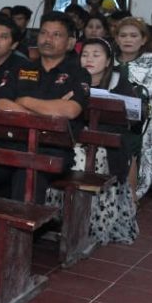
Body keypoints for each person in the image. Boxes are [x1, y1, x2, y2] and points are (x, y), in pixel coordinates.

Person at [45, 38, 137, 244]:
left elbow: (128, 122)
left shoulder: (120, 83)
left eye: (96, 55)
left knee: (80, 158)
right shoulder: (70, 78)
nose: (89, 59)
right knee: (54, 153)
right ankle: (57, 216)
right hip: (73, 137)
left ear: (108, 61)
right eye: (85, 55)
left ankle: (83, 221)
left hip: (106, 144)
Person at [0, 13, 90, 201]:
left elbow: (70, 110)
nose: (48, 39)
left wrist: (23, 101)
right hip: (12, 143)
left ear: (70, 42)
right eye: (44, 33)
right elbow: (1, 104)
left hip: (51, 150)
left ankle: (20, 221)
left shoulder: (78, 74)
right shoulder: (22, 68)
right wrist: (48, 112)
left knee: (27, 172)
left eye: (56, 35)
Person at [114, 18, 152, 201]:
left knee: (134, 152)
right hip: (110, 114)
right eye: (123, 35)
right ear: (117, 39)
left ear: (143, 39)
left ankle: (132, 199)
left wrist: (133, 94)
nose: (128, 40)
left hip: (142, 117)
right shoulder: (108, 59)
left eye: (133, 35)